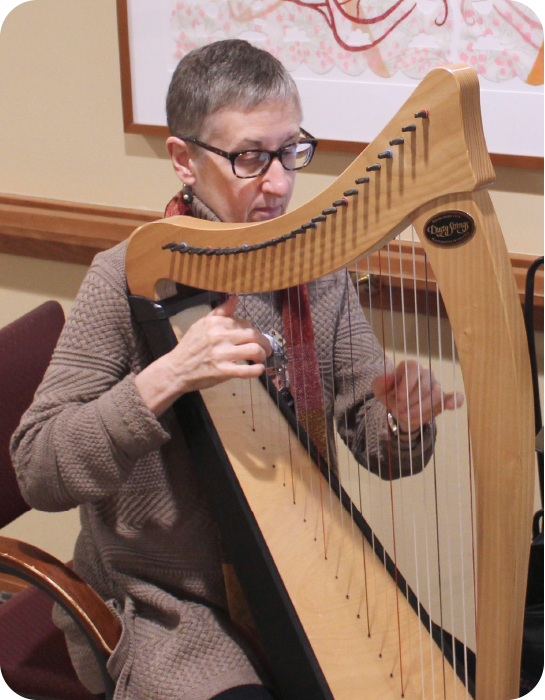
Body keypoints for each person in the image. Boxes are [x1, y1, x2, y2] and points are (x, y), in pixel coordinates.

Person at [11, 39, 462, 700]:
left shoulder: (317, 271)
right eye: (250, 157)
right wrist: (163, 380)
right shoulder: (126, 279)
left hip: (302, 571)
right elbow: (37, 468)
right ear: (183, 160)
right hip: (170, 608)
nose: (279, 183)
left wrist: (399, 420)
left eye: (290, 151)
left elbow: (378, 448)